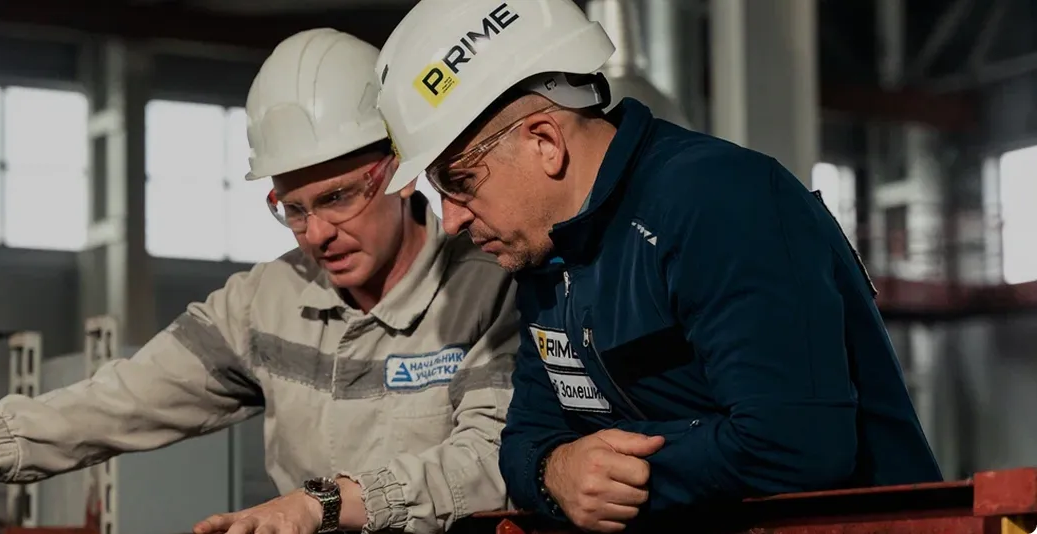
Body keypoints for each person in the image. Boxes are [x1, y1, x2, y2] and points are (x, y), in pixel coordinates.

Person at [0, 28, 520, 534]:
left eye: (336, 199)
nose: (315, 233)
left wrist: (323, 505)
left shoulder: (490, 289)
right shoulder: (263, 306)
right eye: (291, 209)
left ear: (398, 172)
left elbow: (491, 460)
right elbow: (114, 400)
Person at [371, 0, 943, 531]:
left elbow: (798, 444)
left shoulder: (719, 203)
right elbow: (525, 441)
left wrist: (606, 469)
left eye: (460, 182)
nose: (451, 221)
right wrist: (555, 472)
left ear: (545, 141)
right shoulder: (550, 257)